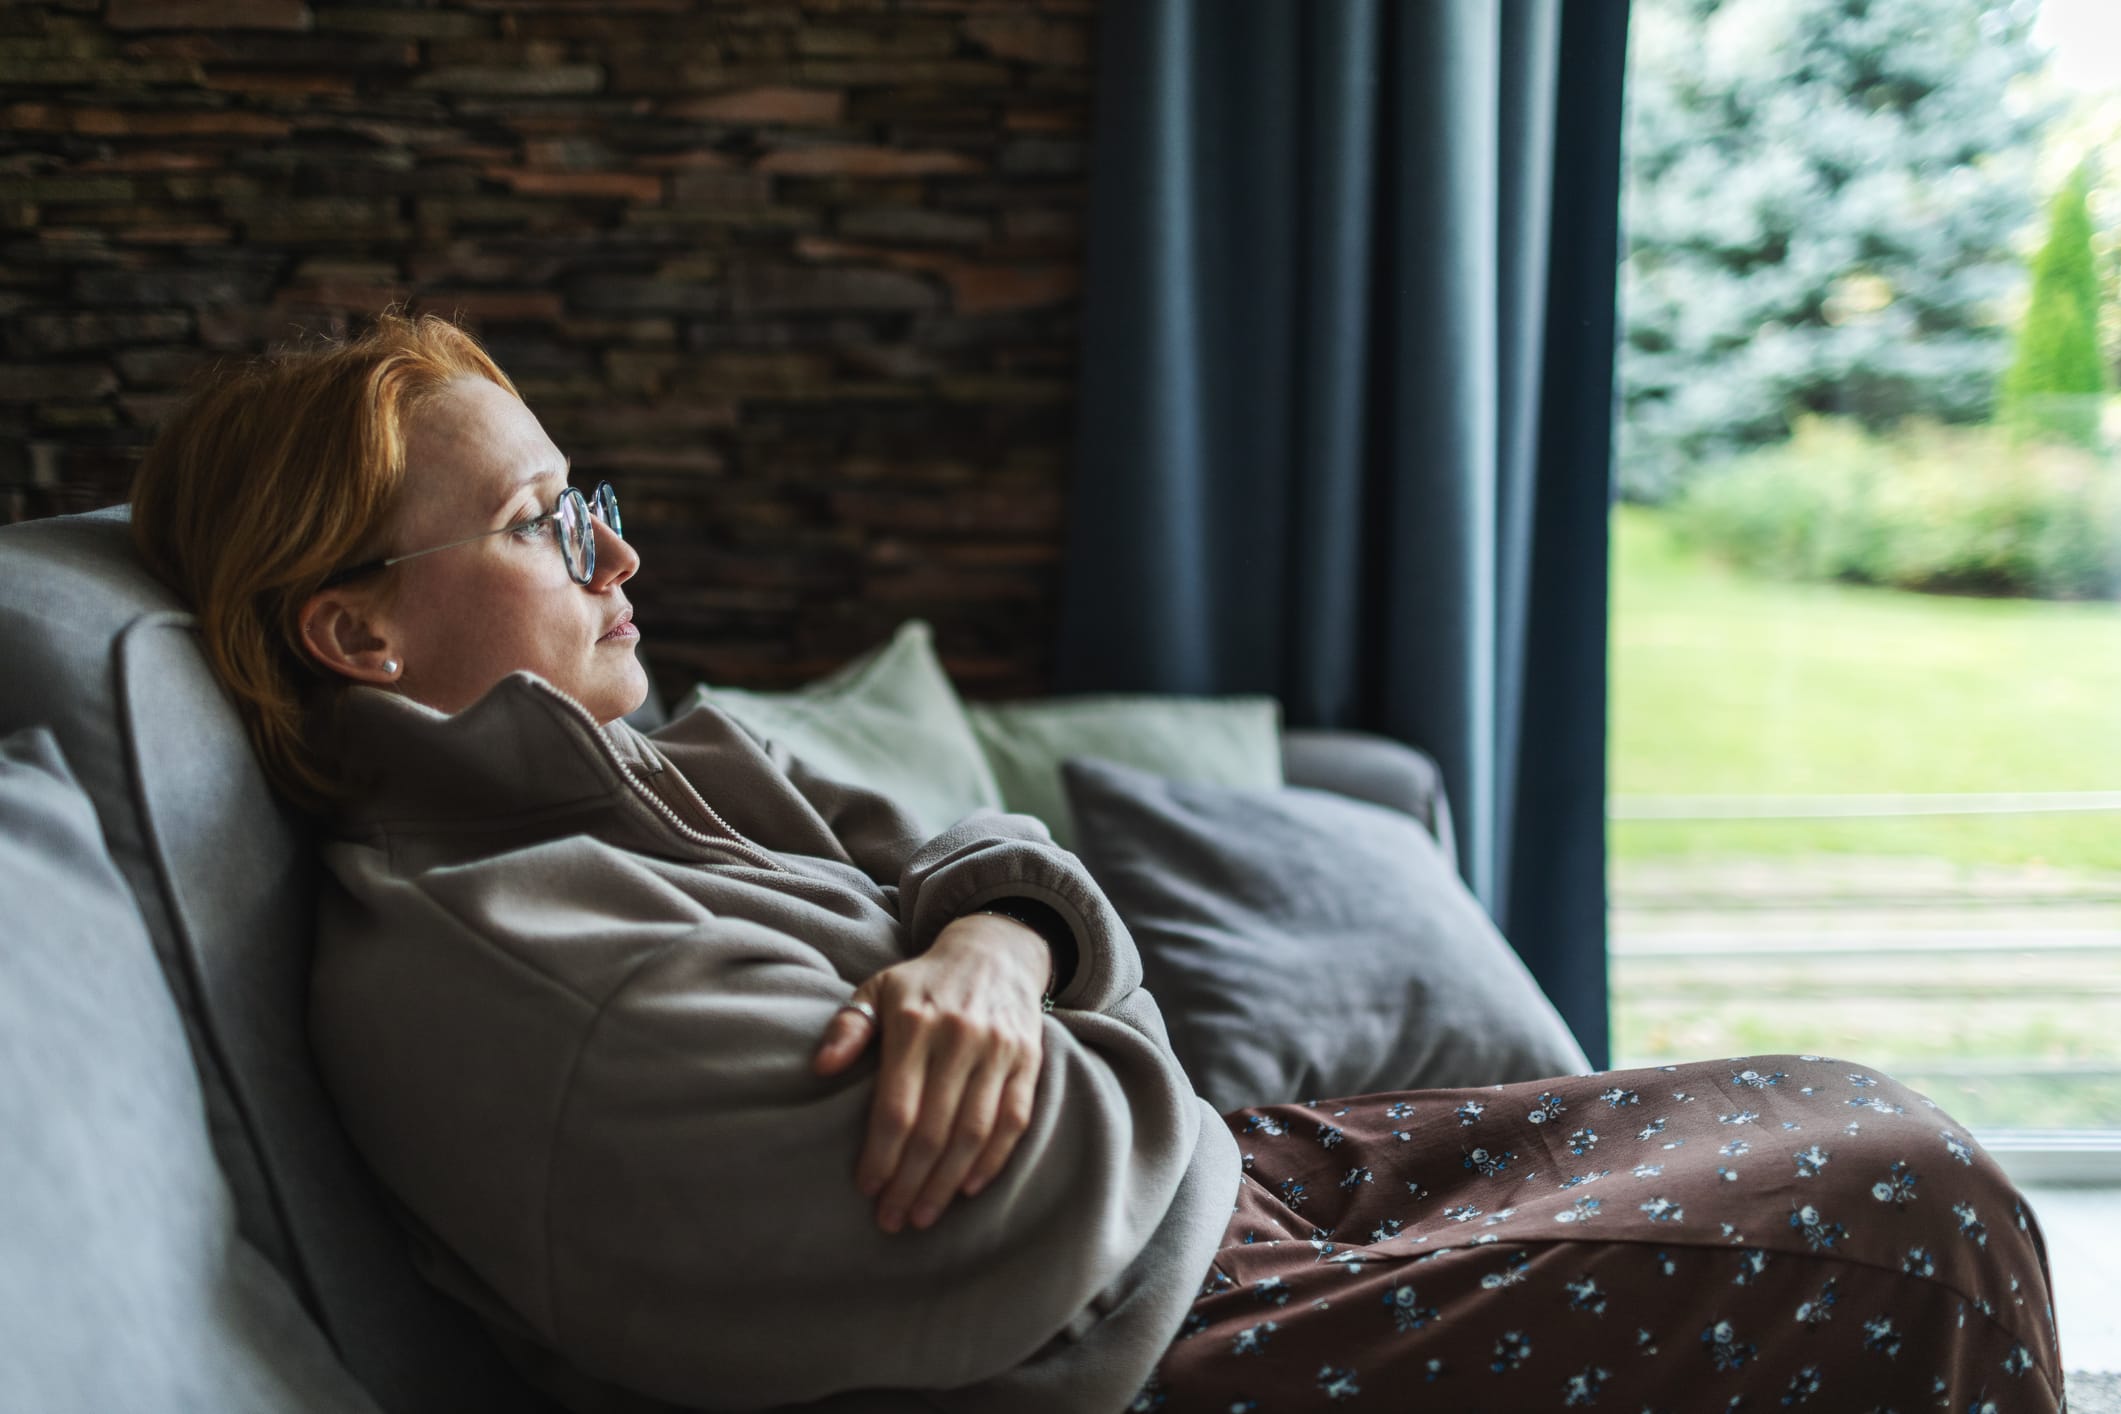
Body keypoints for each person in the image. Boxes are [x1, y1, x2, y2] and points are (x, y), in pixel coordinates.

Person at [128, 310, 2066, 1414]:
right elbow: (1022, 1202)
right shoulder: (511, 974)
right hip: (1163, 1347)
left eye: (591, 504)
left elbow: (994, 852)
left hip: (1216, 1203)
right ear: (355, 633)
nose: (618, 557)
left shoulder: (644, 764)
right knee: (1908, 1215)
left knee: (1833, 1101)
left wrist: (986, 948)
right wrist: (1061, 970)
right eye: (551, 522)